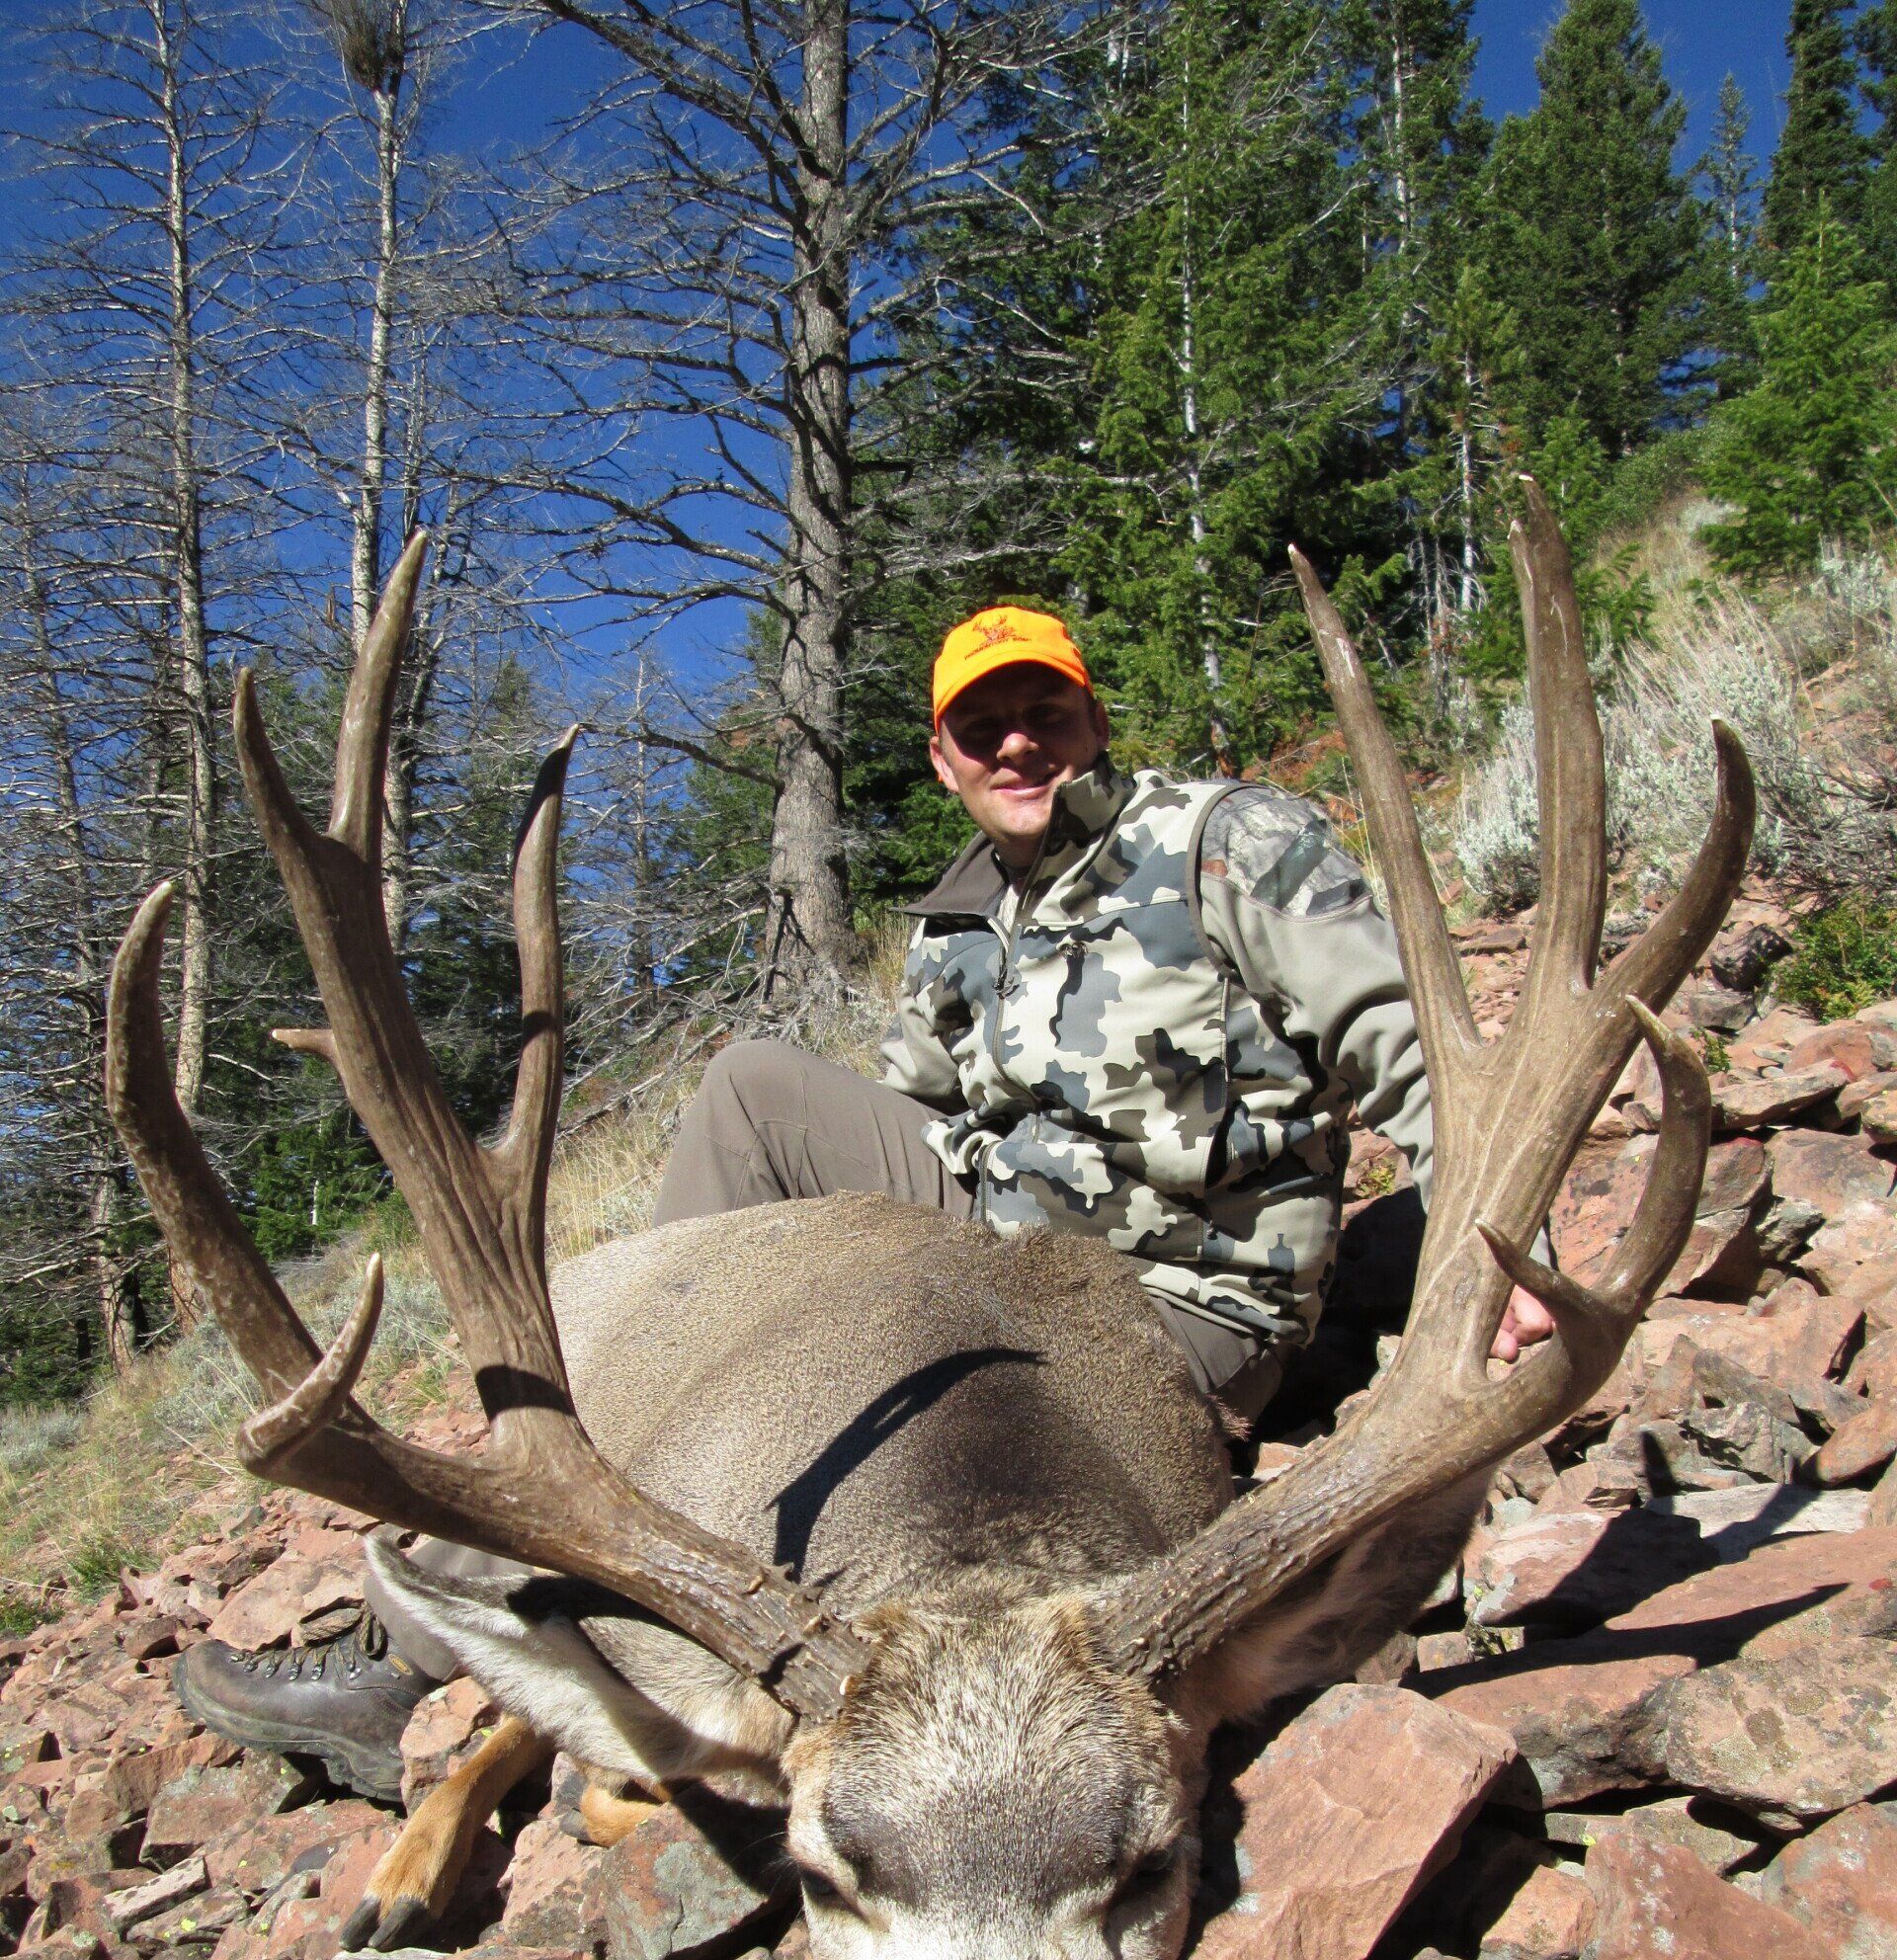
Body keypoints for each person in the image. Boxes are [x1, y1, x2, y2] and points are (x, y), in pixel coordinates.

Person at [177, 602, 1551, 1797]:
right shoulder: (966, 921)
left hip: (1168, 1310)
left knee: (829, 1369)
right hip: (1000, 1256)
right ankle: (597, 1481)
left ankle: (437, 1647)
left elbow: (1405, 1033)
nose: (1020, 743)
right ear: (946, 759)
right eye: (985, 725)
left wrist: (1500, 1258)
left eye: (1045, 710)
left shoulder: (1219, 840)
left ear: (1091, 718)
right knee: (755, 1094)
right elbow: (912, 1113)